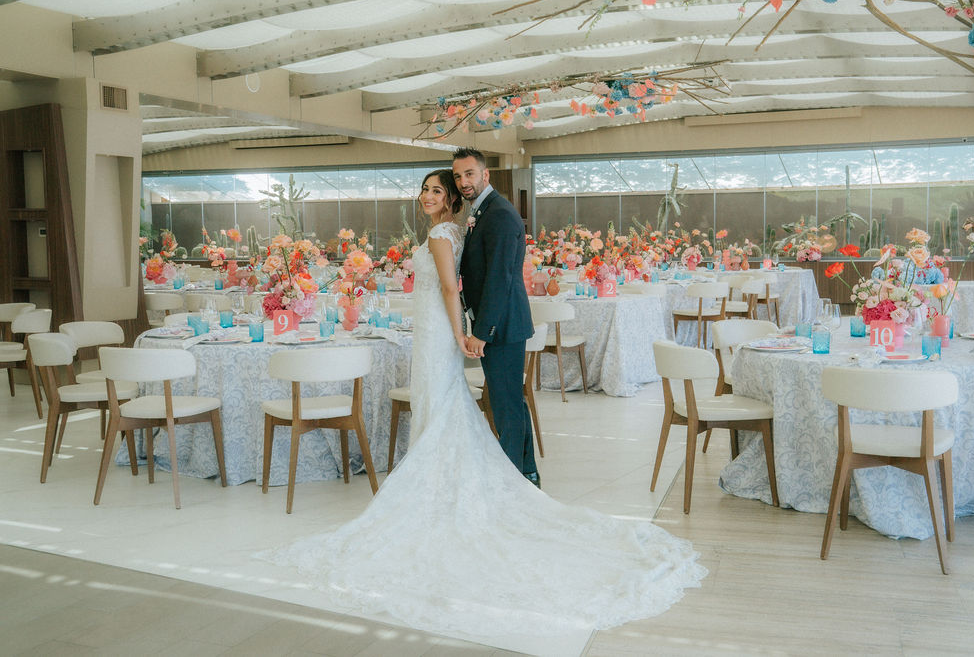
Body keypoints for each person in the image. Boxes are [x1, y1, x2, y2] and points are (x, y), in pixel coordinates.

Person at [259, 168, 706, 637]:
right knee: (448, 401)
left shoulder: (446, 232)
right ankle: (484, 473)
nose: (428, 195)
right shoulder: (457, 229)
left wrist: (460, 333)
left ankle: (466, 480)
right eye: (426, 189)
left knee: (448, 399)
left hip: (439, 329)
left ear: (454, 195)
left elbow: (451, 287)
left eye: (438, 189)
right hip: (436, 326)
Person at [453, 147, 539, 486]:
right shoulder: (484, 210)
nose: (463, 182)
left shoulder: (499, 214)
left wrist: (482, 331)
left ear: (485, 174)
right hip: (501, 324)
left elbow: (500, 278)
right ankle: (526, 474)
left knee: (505, 405)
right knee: (509, 402)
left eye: (469, 174)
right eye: (458, 176)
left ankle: (513, 480)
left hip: (502, 326)